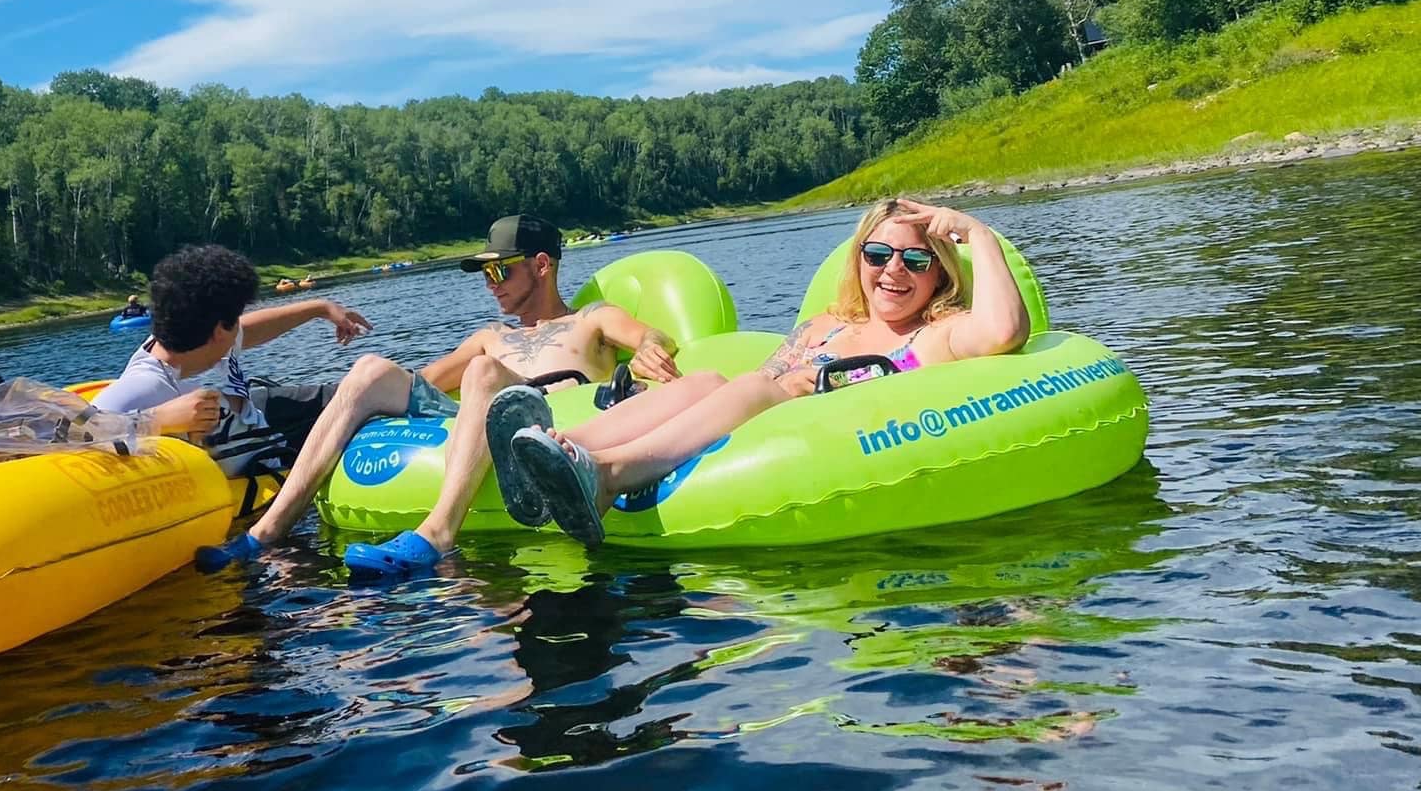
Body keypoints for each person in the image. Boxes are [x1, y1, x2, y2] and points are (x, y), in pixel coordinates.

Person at [496, 197, 1030, 547]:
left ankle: (609, 473)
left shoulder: (936, 333)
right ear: (858, 260)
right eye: (877, 254)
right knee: (708, 382)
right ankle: (554, 450)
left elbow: (1004, 331)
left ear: (939, 274)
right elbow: (759, 380)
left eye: (915, 261)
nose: (893, 271)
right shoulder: (824, 326)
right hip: (766, 421)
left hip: (842, 441)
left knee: (764, 385)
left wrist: (978, 234)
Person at [194, 214, 682, 579]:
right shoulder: (490, 335)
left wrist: (647, 351)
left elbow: (652, 335)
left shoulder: (591, 319)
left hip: (554, 416)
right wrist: (372, 393)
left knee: (483, 369)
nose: (490, 285)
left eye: (500, 272)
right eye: (484, 275)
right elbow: (422, 380)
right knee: (370, 369)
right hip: (483, 409)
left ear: (540, 265)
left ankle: (438, 533)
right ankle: (265, 532)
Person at [93, 244, 374, 461]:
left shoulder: (184, 335)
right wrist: (155, 421)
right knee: (368, 394)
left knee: (364, 391)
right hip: (263, 449)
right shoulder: (144, 386)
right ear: (219, 330)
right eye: (236, 318)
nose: (240, 326)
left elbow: (251, 329)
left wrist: (319, 309)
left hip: (257, 414)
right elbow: (77, 432)